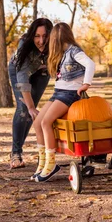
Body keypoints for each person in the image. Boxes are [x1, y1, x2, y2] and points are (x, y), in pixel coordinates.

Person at [32, 22, 96, 182]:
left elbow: (90, 64)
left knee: (46, 122)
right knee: (38, 122)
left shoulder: (74, 51)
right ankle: (42, 163)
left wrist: (86, 84)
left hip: (70, 94)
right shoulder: (62, 53)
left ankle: (51, 164)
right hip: (58, 93)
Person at [8, 18, 53, 169]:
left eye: (45, 36)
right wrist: (30, 106)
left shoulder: (55, 44)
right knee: (24, 109)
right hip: (19, 72)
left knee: (31, 113)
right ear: (31, 36)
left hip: (42, 72)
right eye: (37, 36)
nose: (41, 41)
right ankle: (16, 154)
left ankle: (20, 151)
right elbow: (22, 77)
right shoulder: (24, 45)